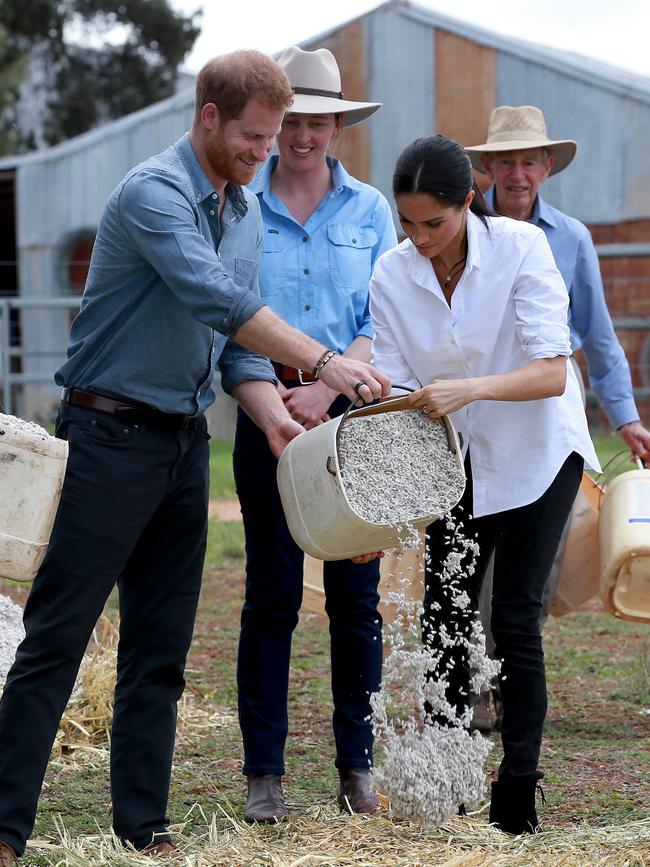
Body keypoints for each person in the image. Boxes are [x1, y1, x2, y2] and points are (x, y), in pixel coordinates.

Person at [0, 51, 391, 867]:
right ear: (209, 117)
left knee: (162, 646)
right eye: (253, 136)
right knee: (58, 637)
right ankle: (4, 827)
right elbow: (219, 298)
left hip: (183, 443)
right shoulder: (154, 193)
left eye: (273, 136)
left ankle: (142, 823)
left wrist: (275, 421)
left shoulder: (242, 209)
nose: (263, 151)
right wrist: (322, 362)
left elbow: (233, 348)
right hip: (108, 437)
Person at [368, 135, 600, 834]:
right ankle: (447, 779)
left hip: (538, 450)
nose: (419, 239)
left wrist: (468, 389)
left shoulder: (523, 250)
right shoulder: (390, 274)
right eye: (406, 224)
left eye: (433, 223)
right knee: (443, 608)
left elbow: (551, 371)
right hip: (454, 457)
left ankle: (517, 789)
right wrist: (381, 510)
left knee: (515, 618)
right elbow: (398, 393)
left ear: (468, 201)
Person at [234, 45, 397, 824]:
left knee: (356, 600)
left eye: (319, 119)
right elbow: (229, 320)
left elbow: (383, 320)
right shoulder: (238, 206)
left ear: (339, 124)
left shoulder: (369, 210)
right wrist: (274, 404)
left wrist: (330, 386)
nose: (303, 134)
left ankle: (355, 766)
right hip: (265, 417)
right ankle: (264, 773)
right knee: (269, 597)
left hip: (351, 423)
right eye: (291, 119)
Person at [464, 105, 650, 731]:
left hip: (550, 411)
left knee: (536, 562)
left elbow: (598, 336)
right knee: (476, 557)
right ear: (487, 166)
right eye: (505, 161)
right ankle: (473, 683)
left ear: (546, 166)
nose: (517, 173)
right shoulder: (463, 226)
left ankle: (510, 675)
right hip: (483, 407)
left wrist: (625, 419)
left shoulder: (570, 237)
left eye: (529, 161)